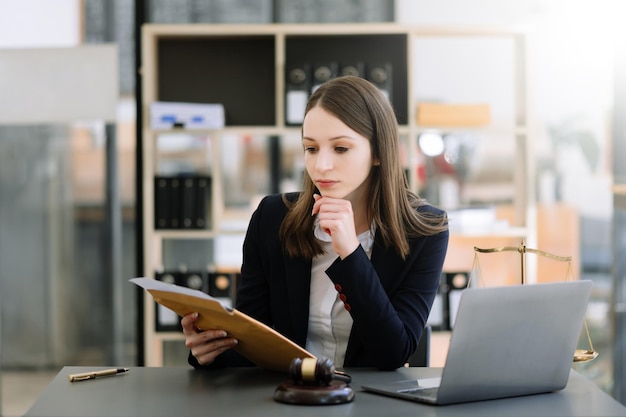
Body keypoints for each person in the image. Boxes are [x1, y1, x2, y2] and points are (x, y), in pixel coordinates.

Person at [182, 75, 449, 371]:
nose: (321, 166)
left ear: (377, 152)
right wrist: (210, 351)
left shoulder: (425, 230)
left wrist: (351, 253)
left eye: (340, 148)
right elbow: (253, 340)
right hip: (287, 396)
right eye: (311, 148)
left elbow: (393, 353)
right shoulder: (272, 218)